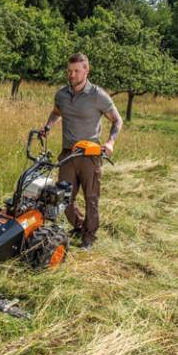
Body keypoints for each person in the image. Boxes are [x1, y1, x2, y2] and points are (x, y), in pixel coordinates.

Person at [40, 53, 123, 250]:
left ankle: (89, 237)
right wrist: (48, 126)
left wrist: (110, 142)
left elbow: (117, 120)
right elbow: (57, 112)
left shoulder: (98, 95)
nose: (72, 75)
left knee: (91, 199)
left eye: (77, 71)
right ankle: (78, 226)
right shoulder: (61, 94)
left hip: (90, 155)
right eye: (69, 71)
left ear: (86, 70)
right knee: (63, 198)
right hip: (68, 155)